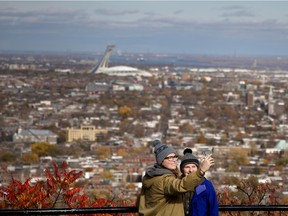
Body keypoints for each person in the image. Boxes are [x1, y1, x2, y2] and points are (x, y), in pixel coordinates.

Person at [137, 140, 215, 216]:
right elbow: (181, 186)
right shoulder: (164, 180)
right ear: (161, 161)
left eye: (175, 157)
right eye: (169, 158)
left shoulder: (151, 176)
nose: (174, 160)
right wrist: (201, 170)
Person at [180, 148, 219, 216]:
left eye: (193, 166)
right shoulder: (177, 184)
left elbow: (213, 209)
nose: (191, 170)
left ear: (198, 168)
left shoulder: (206, 185)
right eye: (187, 167)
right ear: (182, 170)